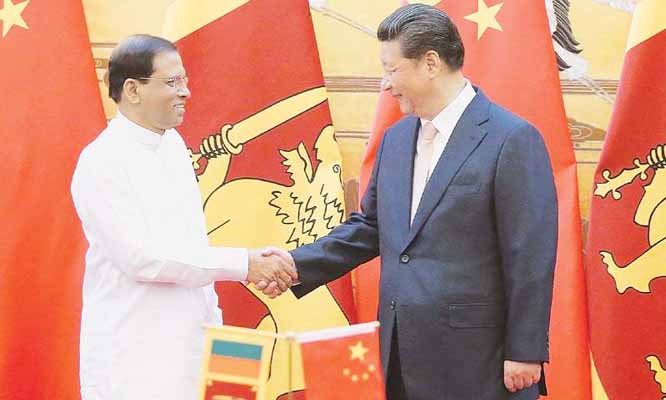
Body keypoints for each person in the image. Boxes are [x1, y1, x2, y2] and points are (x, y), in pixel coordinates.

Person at [263, 4, 557, 400]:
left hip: (480, 361)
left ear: (430, 63)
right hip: (402, 352)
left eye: (391, 69)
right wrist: (294, 265)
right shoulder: (396, 140)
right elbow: (371, 227)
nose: (385, 84)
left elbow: (530, 254)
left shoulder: (511, 138)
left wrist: (525, 351)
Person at [71, 34, 295, 400]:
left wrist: (221, 338)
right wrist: (244, 264)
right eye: (172, 82)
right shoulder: (102, 162)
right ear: (132, 90)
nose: (185, 92)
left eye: (185, 80)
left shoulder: (173, 146)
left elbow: (193, 248)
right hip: (136, 362)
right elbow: (144, 259)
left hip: (195, 348)